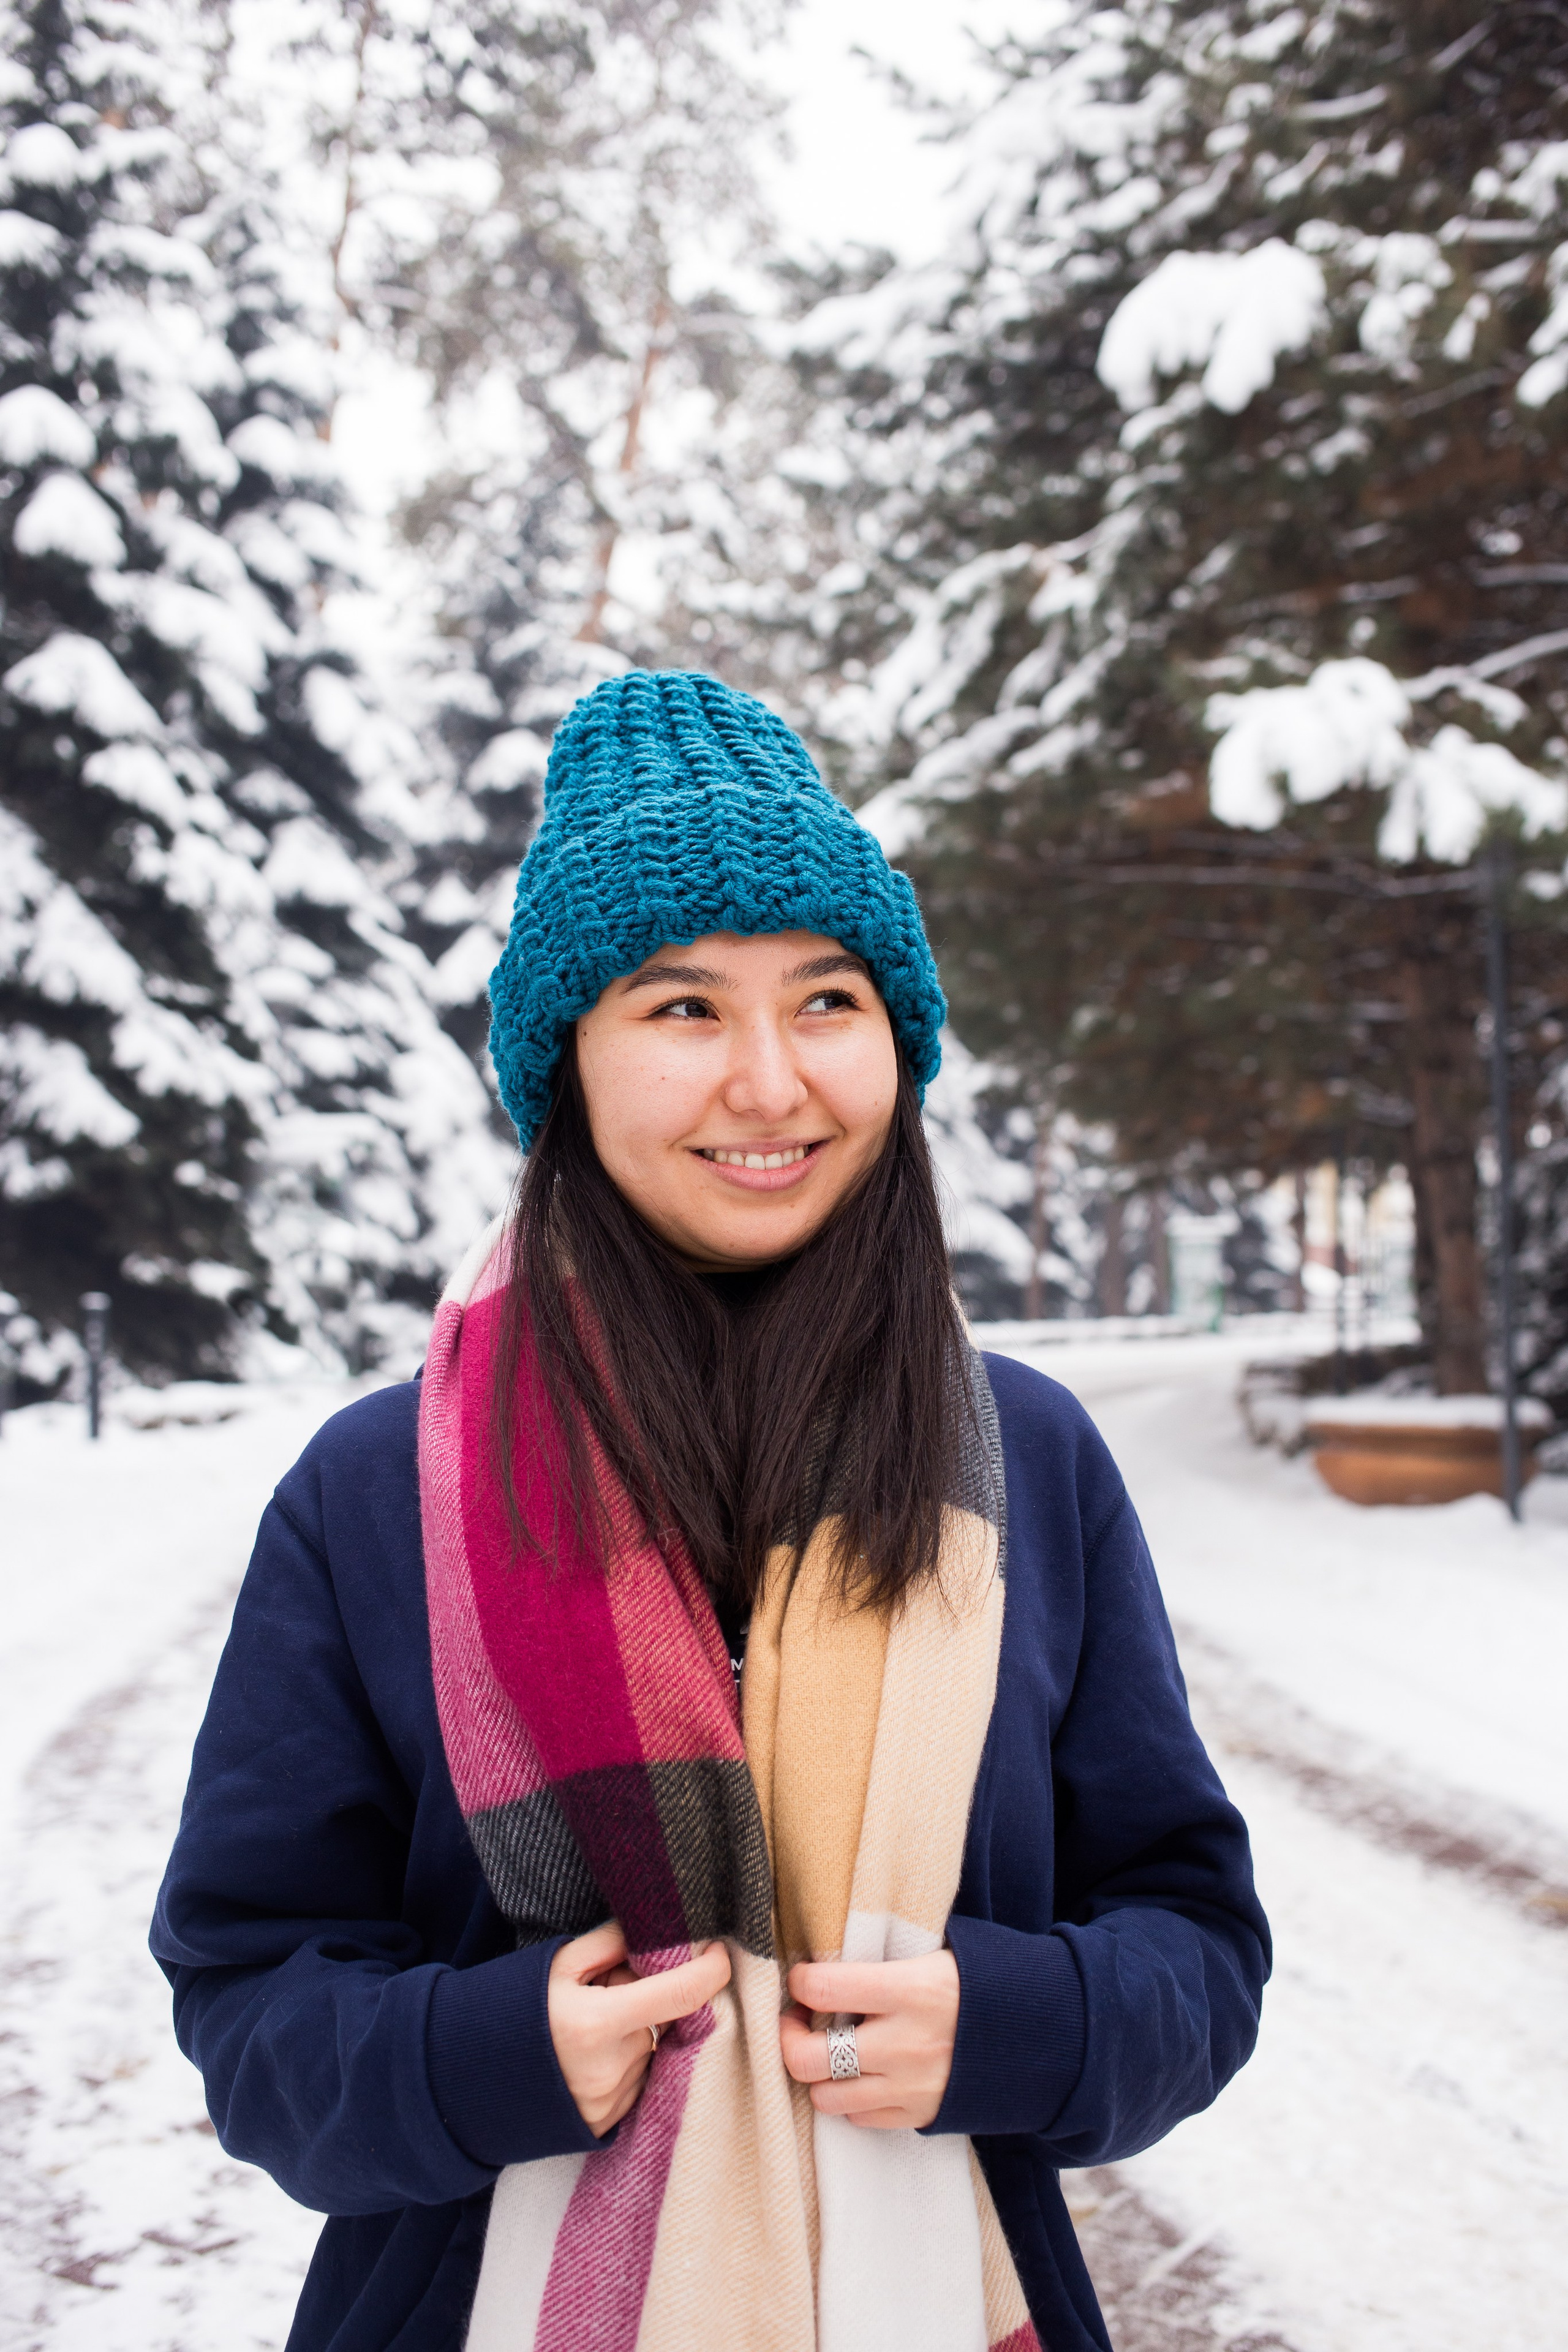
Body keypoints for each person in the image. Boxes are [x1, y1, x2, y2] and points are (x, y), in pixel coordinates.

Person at [152, 669, 1269, 2352]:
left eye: (827, 1001)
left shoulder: (1028, 1461)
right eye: (681, 1009)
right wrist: (485, 2058)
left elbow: (1194, 1936)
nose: (770, 1082)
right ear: (569, 1071)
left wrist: (1025, 2026)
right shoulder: (379, 1492)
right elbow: (253, 2001)